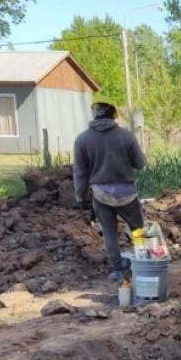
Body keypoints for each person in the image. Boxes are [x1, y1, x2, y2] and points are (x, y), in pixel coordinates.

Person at [73, 96, 147, 281]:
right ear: (113, 113)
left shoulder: (83, 139)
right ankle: (143, 262)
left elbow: (80, 172)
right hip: (127, 193)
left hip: (101, 194)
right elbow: (140, 163)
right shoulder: (126, 135)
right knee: (137, 229)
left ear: (94, 114)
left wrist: (80, 198)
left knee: (109, 233)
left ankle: (118, 269)